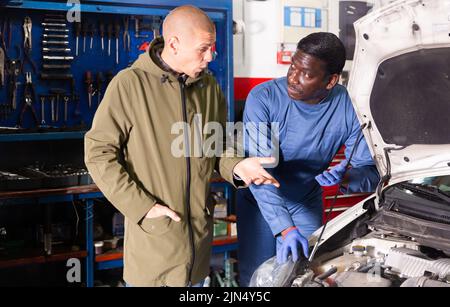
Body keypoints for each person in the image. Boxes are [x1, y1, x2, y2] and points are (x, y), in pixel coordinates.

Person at [84, 5, 279, 287]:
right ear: (174, 44)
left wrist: (237, 165)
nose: (211, 56)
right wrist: (143, 207)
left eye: (212, 47)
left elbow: (218, 144)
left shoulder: (209, 87)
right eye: (203, 48)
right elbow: (98, 153)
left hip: (198, 249)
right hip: (155, 248)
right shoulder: (129, 85)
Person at [236, 32, 380, 286]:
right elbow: (257, 170)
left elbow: (368, 172)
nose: (293, 78)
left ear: (330, 81)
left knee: (301, 276)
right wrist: (285, 228)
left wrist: (348, 176)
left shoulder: (350, 107)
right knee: (256, 278)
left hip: (304, 201)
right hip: (260, 200)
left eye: (306, 73)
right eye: (293, 66)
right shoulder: (264, 97)